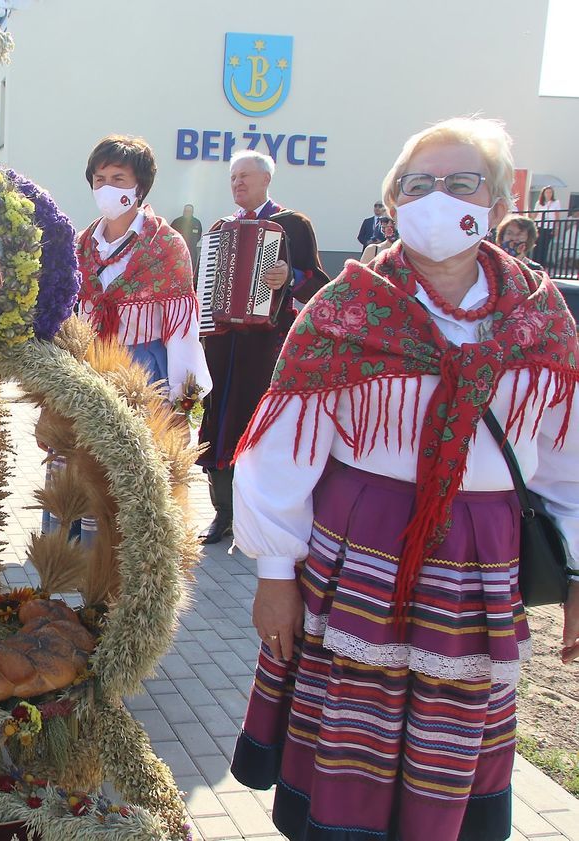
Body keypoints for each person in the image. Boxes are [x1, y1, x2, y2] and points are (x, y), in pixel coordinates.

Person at [230, 116, 579, 841]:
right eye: (418, 184)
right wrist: (273, 572)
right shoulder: (344, 310)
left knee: (449, 740)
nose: (437, 196)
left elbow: (568, 460)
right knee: (350, 727)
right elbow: (280, 453)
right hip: (361, 551)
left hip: (478, 559)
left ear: (499, 203)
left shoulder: (543, 320)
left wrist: (576, 573)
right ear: (392, 201)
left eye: (460, 181)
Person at [197, 150, 328, 544]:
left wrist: (290, 275)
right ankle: (223, 514)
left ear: (266, 180)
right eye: (233, 177)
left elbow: (319, 283)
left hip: (267, 344)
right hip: (223, 342)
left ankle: (259, 514)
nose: (237, 183)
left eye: (245, 177)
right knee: (217, 421)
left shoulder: (292, 225)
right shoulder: (223, 228)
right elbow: (208, 283)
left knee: (258, 424)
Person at [75, 135, 211, 400]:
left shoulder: (166, 245)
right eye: (99, 179)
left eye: (118, 179)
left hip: (144, 373)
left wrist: (184, 398)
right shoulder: (82, 245)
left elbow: (182, 332)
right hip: (91, 368)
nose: (106, 188)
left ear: (139, 187)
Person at [531, 185, 562, 268]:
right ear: (543, 193)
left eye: (550, 192)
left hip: (549, 227)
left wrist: (556, 228)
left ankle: (542, 265)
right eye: (547, 192)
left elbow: (557, 216)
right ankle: (535, 263)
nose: (548, 194)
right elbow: (535, 215)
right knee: (537, 246)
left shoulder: (556, 202)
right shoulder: (539, 203)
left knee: (545, 246)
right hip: (539, 226)